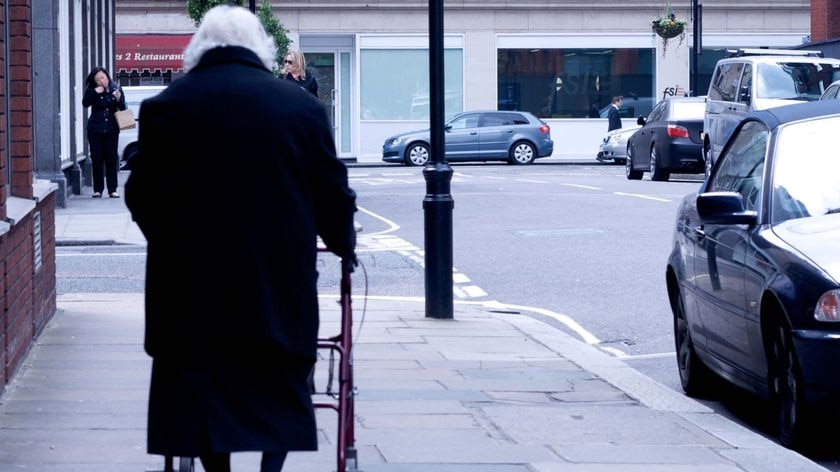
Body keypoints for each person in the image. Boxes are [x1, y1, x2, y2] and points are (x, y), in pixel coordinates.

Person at [124, 5, 357, 472]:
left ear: (199, 48)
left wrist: (172, 239)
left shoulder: (165, 108)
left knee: (202, 388)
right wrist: (343, 244)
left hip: (191, 299)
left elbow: (140, 196)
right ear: (261, 49)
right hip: (275, 294)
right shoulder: (301, 108)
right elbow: (331, 195)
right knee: (279, 382)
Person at [82, 67, 126, 198]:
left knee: (111, 159)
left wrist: (119, 99)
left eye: (103, 77)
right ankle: (98, 190)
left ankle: (112, 189)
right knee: (97, 160)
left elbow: (123, 108)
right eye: (98, 79)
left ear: (107, 76)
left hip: (112, 129)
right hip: (95, 130)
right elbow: (85, 103)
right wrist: (95, 92)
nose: (101, 81)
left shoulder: (116, 89)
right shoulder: (93, 91)